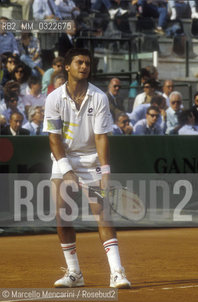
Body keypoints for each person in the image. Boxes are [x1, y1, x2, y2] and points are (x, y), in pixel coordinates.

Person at [43, 48, 131, 289]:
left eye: (87, 63)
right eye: (79, 62)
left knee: (102, 215)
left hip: (91, 163)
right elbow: (54, 138)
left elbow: (102, 137)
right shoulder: (52, 99)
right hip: (63, 161)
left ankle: (117, 272)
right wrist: (66, 170)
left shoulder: (99, 97)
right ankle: (74, 273)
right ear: (67, 67)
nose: (84, 66)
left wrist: (105, 172)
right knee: (62, 218)